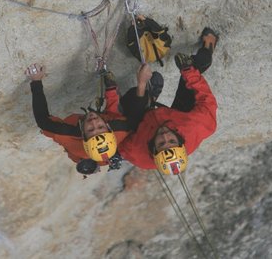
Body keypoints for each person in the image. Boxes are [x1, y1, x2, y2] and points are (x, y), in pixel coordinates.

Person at [118, 27, 219, 175]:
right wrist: (188, 71)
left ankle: (148, 99)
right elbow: (206, 99)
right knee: (199, 63)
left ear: (153, 148)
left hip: (144, 123)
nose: (165, 136)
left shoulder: (136, 152)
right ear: (180, 142)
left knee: (129, 104)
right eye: (172, 141)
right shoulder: (197, 126)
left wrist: (141, 88)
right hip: (179, 116)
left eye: (161, 143)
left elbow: (117, 136)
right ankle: (209, 44)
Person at [25, 63, 154, 176]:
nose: (93, 121)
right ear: (109, 127)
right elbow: (120, 113)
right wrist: (111, 87)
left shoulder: (67, 135)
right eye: (100, 127)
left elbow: (43, 121)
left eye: (91, 129)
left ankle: (92, 163)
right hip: (110, 145)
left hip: (84, 151)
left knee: (72, 148)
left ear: (83, 134)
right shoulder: (120, 129)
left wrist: (36, 81)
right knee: (138, 100)